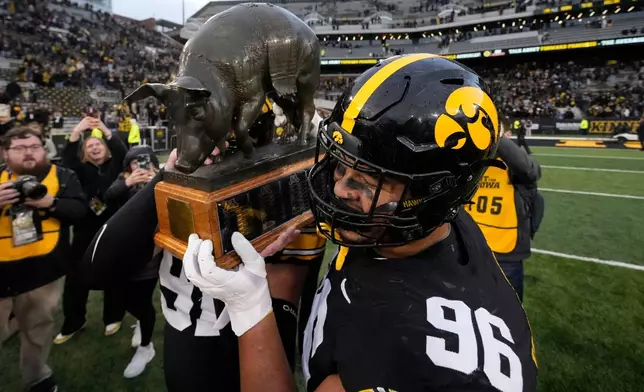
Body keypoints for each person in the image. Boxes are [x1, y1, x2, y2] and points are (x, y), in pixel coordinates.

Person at [182, 54, 539, 391]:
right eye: (341, 163)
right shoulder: (435, 224)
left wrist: (251, 309)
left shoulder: (401, 347)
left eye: (367, 182)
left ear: (433, 194)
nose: (339, 187)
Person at [81, 146, 326, 391]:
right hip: (193, 326)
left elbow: (297, 275)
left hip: (265, 317)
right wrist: (168, 176)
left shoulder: (297, 149)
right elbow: (97, 270)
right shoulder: (195, 161)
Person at [0, 126, 86, 392]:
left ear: (44, 148)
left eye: (34, 147)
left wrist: (51, 203)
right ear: (5, 153)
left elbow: (80, 210)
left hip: (44, 271)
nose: (28, 153)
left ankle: (37, 376)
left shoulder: (63, 175)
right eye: (19, 148)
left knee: (38, 330)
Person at [54, 116, 127, 344]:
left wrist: (103, 129)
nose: (94, 148)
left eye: (98, 145)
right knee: (76, 278)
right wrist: (77, 131)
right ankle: (74, 321)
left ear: (105, 149)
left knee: (114, 274)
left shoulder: (115, 165)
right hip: (85, 230)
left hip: (112, 229)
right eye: (89, 146)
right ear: (84, 152)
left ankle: (113, 316)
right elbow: (66, 159)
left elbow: (122, 151)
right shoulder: (79, 169)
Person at [466, 124, 542, 301]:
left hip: (505, 256)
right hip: (472, 250)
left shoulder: (517, 168)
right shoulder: (475, 162)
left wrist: (498, 138)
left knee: (508, 313)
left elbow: (531, 170)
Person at [103, 146, 160, 378]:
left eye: (144, 161)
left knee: (142, 300)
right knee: (124, 299)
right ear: (128, 166)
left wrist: (155, 182)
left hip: (149, 254)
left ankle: (146, 347)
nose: (140, 166)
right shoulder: (122, 181)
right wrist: (128, 183)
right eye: (134, 162)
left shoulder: (161, 178)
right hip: (121, 253)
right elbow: (107, 197)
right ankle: (140, 321)